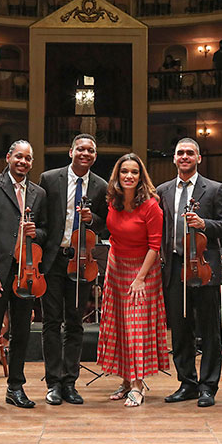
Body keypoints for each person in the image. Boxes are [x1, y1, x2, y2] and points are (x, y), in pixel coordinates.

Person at [157, 138, 222, 408]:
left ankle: (208, 386)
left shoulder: (214, 189)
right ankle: (187, 382)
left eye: (190, 153)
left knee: (210, 329)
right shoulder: (163, 190)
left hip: (204, 266)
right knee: (180, 328)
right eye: (180, 153)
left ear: (199, 158)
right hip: (175, 265)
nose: (185, 157)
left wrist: (204, 224)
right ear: (174, 159)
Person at [0, 140, 47, 411]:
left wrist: (35, 233)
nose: (23, 162)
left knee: (21, 332)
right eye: (19, 157)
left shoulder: (38, 193)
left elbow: (45, 231)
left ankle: (15, 387)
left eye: (28, 159)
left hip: (27, 273)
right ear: (8, 157)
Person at [37, 134, 108, 406]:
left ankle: (70, 382)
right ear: (71, 152)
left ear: (95, 156)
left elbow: (104, 225)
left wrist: (94, 219)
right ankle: (53, 383)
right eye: (81, 149)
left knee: (75, 322)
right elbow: (43, 220)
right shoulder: (49, 178)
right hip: (55, 259)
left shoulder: (101, 186)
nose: (85, 153)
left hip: (82, 260)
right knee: (52, 322)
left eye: (91, 150)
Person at [97, 153, 167, 407]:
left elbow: (155, 246)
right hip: (117, 268)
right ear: (117, 175)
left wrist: (139, 279)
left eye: (134, 172)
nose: (129, 176)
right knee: (119, 325)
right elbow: (114, 237)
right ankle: (126, 381)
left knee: (136, 328)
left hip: (143, 270)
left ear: (141, 177)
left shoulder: (150, 205)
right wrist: (112, 266)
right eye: (124, 171)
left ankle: (138, 386)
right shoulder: (113, 202)